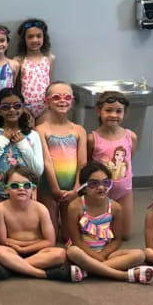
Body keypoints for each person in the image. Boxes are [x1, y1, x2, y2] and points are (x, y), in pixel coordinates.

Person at [65, 162, 153, 284]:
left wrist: (102, 255)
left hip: (105, 253)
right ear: (84, 187)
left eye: (106, 183)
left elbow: (117, 240)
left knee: (139, 255)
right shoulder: (75, 207)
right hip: (83, 253)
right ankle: (124, 275)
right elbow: (76, 241)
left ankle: (88, 271)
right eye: (94, 184)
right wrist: (96, 257)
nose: (101, 187)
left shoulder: (115, 208)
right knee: (73, 251)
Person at [0, 166, 83, 282]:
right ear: (6, 189)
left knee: (60, 253)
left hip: (38, 251)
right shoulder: (1, 209)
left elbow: (50, 241)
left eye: (27, 185)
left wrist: (25, 249)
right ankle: (43, 274)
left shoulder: (41, 209)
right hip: (12, 250)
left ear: (33, 190)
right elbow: (3, 240)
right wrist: (19, 248)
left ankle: (11, 268)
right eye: (14, 186)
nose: (21, 189)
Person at [35, 82, 87, 237]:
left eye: (67, 97)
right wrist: (55, 189)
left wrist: (76, 189)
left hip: (72, 188)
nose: (62, 100)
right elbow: (47, 162)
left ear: (72, 101)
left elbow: (82, 163)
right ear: (47, 101)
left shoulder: (78, 130)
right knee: (50, 234)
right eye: (56, 97)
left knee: (68, 236)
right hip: (48, 187)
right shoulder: (41, 130)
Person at [0, 87, 44, 210]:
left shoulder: (32, 136)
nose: (12, 110)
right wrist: (2, 141)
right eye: (6, 107)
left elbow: (38, 170)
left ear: (23, 108)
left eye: (17, 106)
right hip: (0, 191)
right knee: (1, 226)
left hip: (25, 191)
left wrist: (23, 144)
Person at [88, 91, 138, 239]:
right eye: (108, 110)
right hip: (101, 190)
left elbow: (130, 157)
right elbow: (88, 164)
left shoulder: (130, 136)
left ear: (125, 113)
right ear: (99, 111)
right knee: (100, 235)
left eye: (118, 111)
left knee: (124, 235)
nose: (113, 115)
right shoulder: (92, 139)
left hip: (124, 190)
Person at [14, 18, 54, 122]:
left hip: (45, 108)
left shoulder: (49, 58)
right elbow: (16, 86)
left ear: (44, 37)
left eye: (39, 36)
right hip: (25, 108)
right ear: (24, 40)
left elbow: (50, 82)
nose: (35, 40)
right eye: (30, 37)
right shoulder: (19, 60)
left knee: (42, 134)